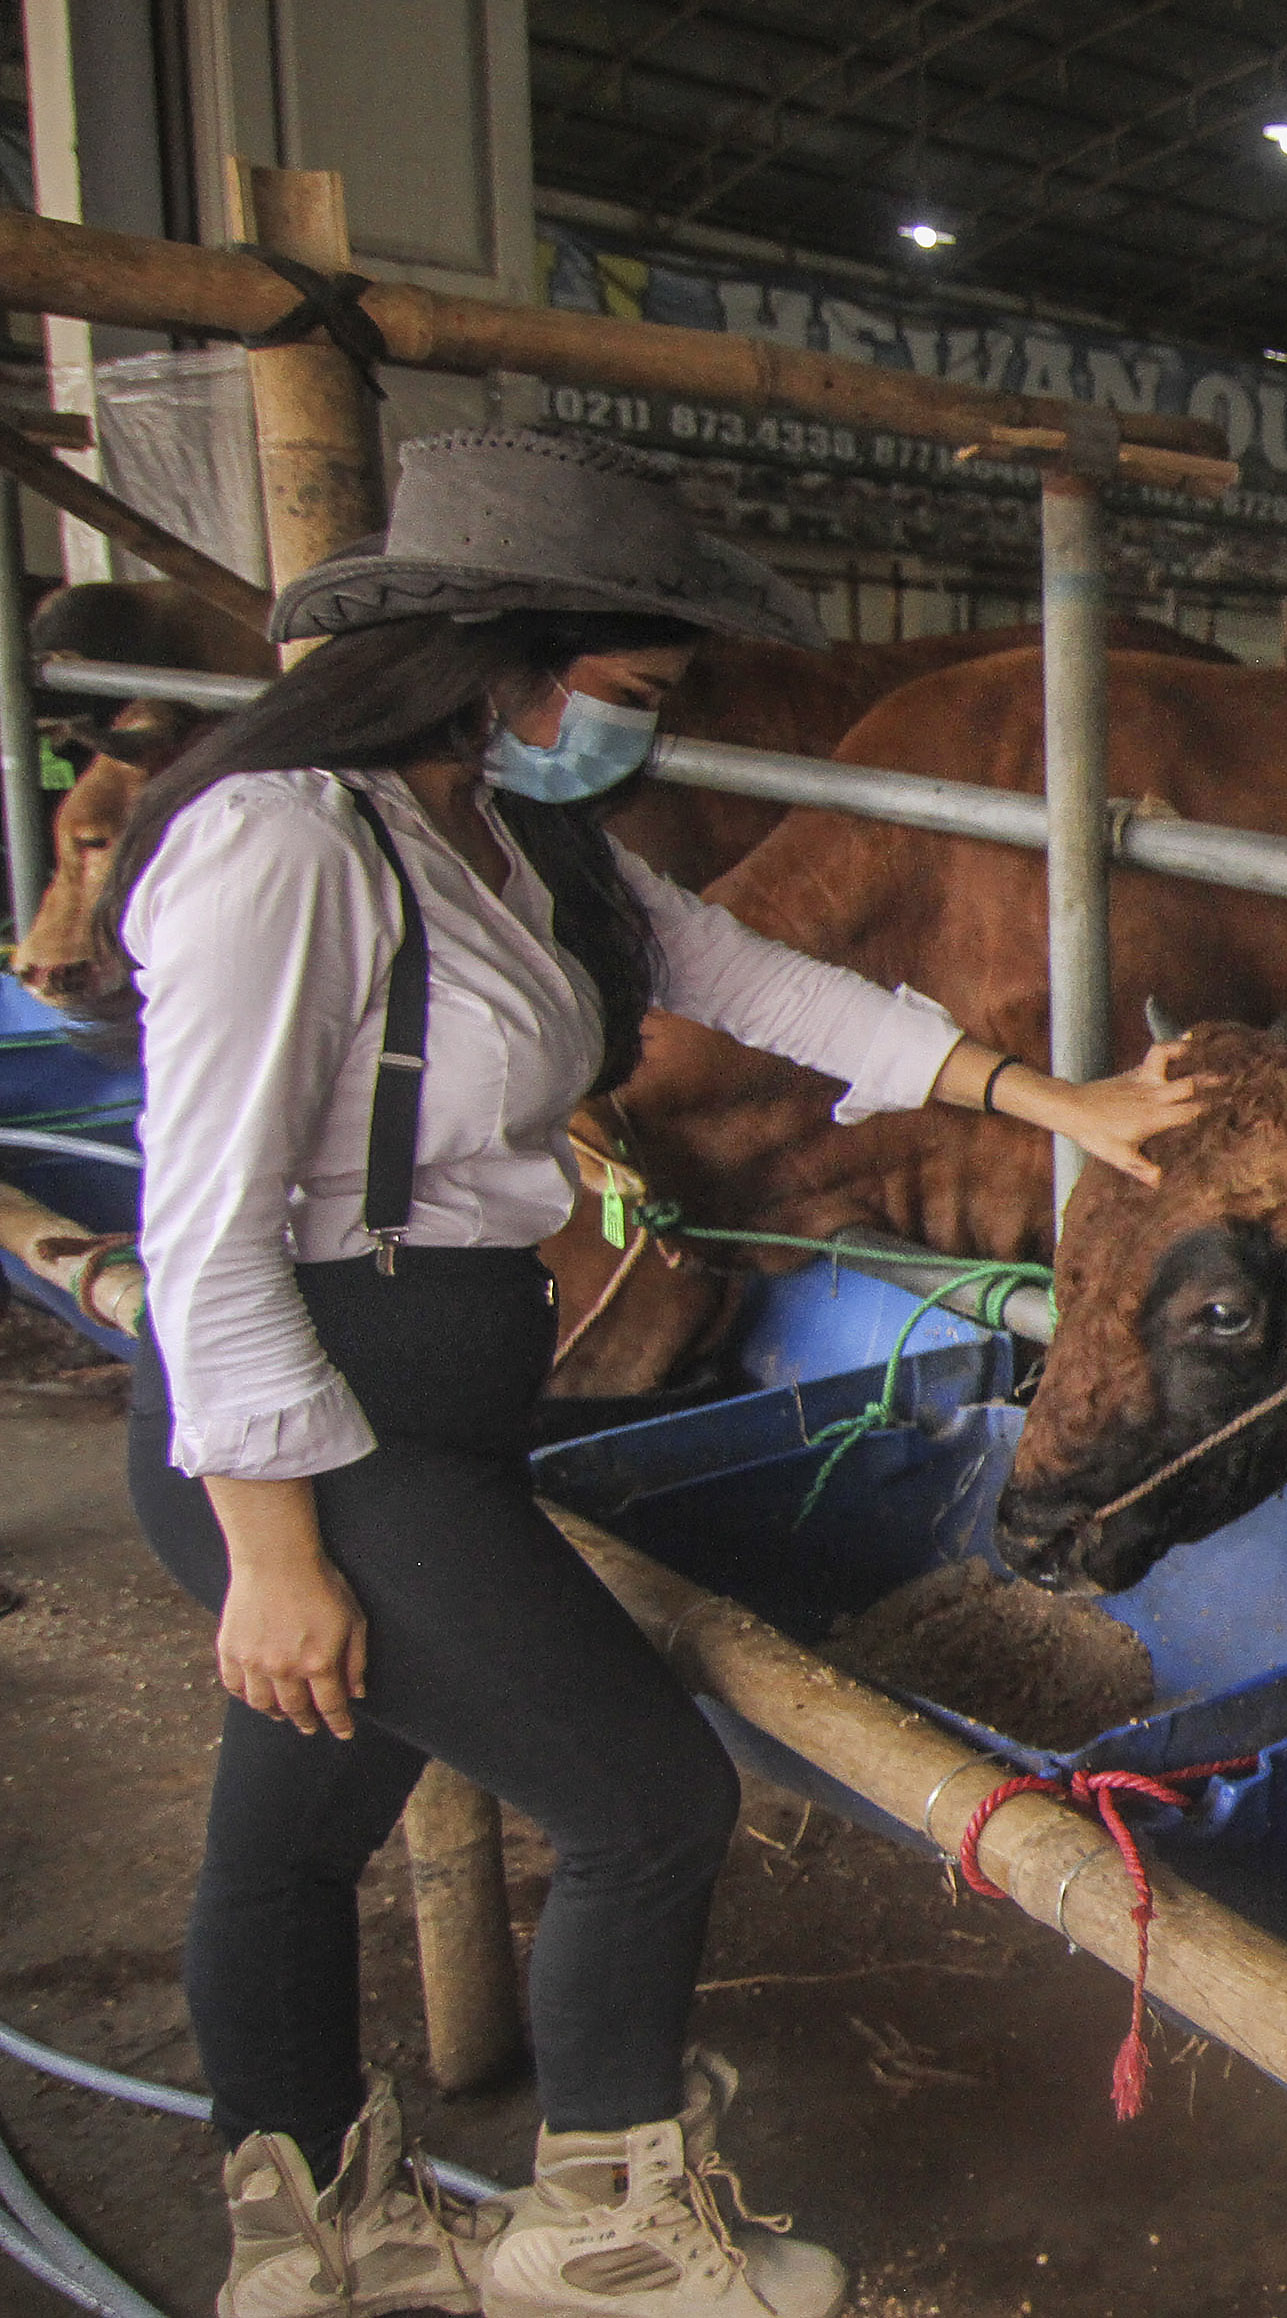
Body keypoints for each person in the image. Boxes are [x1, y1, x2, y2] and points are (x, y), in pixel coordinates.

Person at [85, 428, 1201, 2318]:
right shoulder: (279, 846)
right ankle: (607, 2221)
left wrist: (1049, 1095)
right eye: (635, 693)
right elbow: (205, 1230)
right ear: (503, 658)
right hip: (318, 1416)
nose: (645, 735)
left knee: (292, 1834)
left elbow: (757, 980)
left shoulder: (509, 838)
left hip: (427, 1404)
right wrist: (270, 1541)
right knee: (646, 1798)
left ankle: (314, 2241)